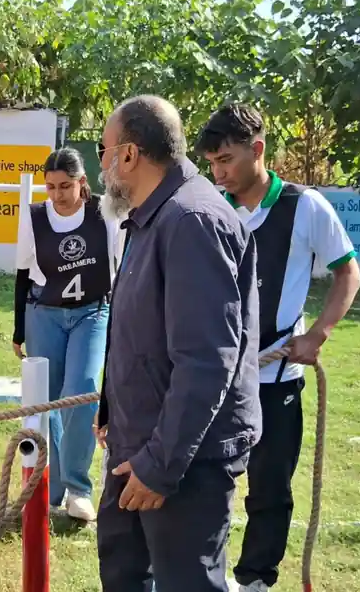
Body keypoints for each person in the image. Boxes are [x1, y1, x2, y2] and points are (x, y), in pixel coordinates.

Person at [93, 95, 261, 592]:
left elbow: (206, 360)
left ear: (128, 155)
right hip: (138, 444)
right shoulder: (152, 216)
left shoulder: (191, 220)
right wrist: (113, 411)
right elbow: (138, 332)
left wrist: (159, 466)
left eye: (103, 151)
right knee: (124, 574)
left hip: (183, 460)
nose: (100, 167)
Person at [195, 103, 360, 592]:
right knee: (204, 479)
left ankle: (254, 580)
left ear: (257, 150)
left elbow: (348, 272)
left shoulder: (305, 206)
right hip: (215, 373)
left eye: (226, 160)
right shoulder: (210, 206)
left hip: (277, 375)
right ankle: (202, 574)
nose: (219, 173)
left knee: (269, 486)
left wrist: (319, 333)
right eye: (212, 163)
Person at [11, 147, 122, 521]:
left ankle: (78, 487)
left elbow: (121, 265)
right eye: (51, 187)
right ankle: (52, 486)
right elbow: (23, 275)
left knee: (81, 392)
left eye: (65, 186)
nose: (57, 194)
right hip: (44, 313)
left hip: (92, 312)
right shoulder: (34, 216)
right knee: (48, 401)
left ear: (81, 182)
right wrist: (19, 329)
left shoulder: (106, 212)